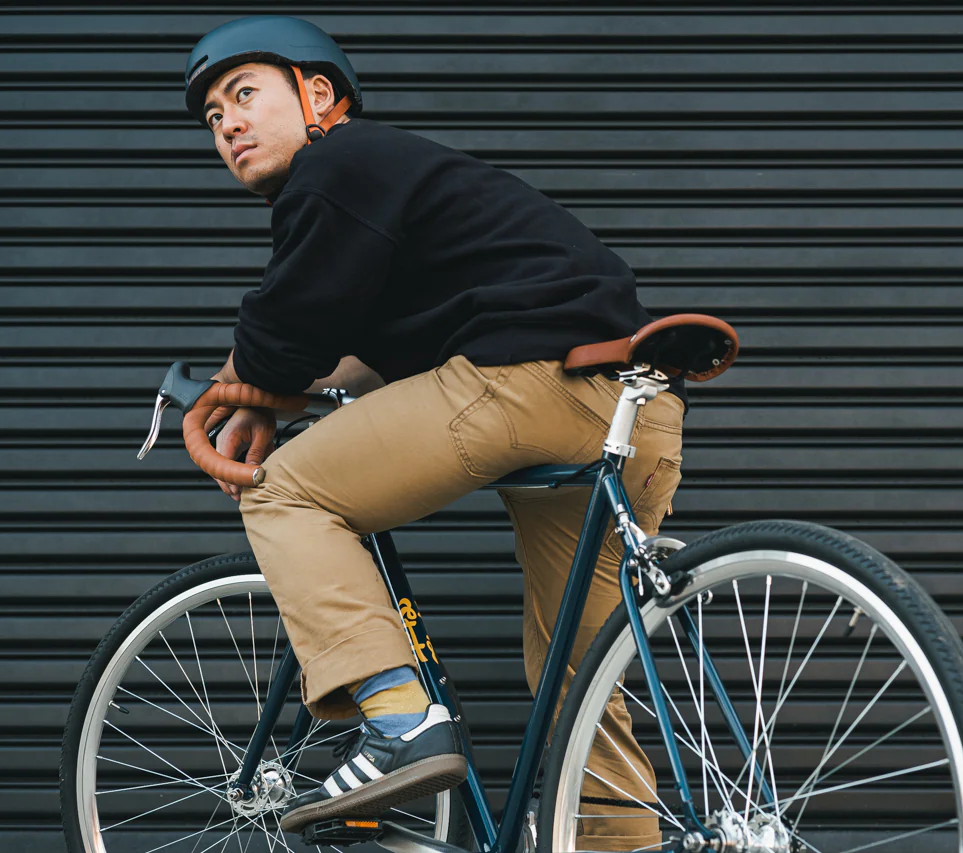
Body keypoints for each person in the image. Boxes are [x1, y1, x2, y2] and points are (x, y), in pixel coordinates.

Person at [184, 15, 686, 848]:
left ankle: (399, 719)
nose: (227, 125)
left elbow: (284, 330)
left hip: (525, 383)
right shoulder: (399, 187)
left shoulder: (338, 163)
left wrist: (229, 391)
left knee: (286, 492)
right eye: (212, 118)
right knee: (582, 679)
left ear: (318, 94)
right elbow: (355, 355)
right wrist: (279, 393)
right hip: (633, 403)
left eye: (243, 95)